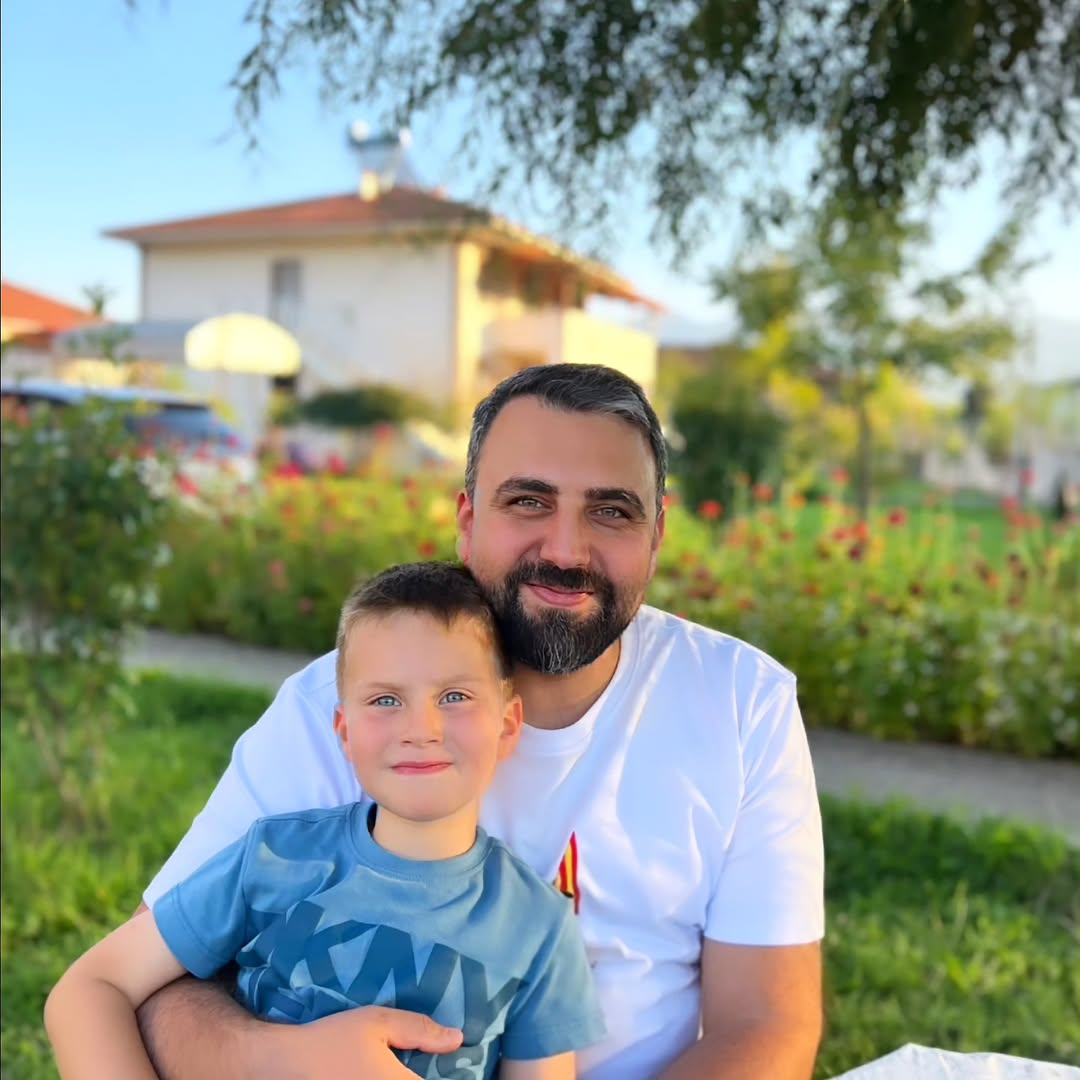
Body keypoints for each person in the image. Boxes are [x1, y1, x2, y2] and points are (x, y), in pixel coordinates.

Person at [131, 363, 826, 1080]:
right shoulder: (338, 709)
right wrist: (283, 1057)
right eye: (528, 501)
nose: (565, 551)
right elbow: (153, 986)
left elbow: (767, 1026)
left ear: (657, 535)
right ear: (468, 522)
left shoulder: (741, 702)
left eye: (612, 511)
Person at [45, 563, 606, 1080]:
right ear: (344, 732)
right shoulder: (275, 857)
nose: (421, 729)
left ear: (508, 726)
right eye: (386, 701)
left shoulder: (538, 929)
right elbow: (91, 988)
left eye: (454, 696)